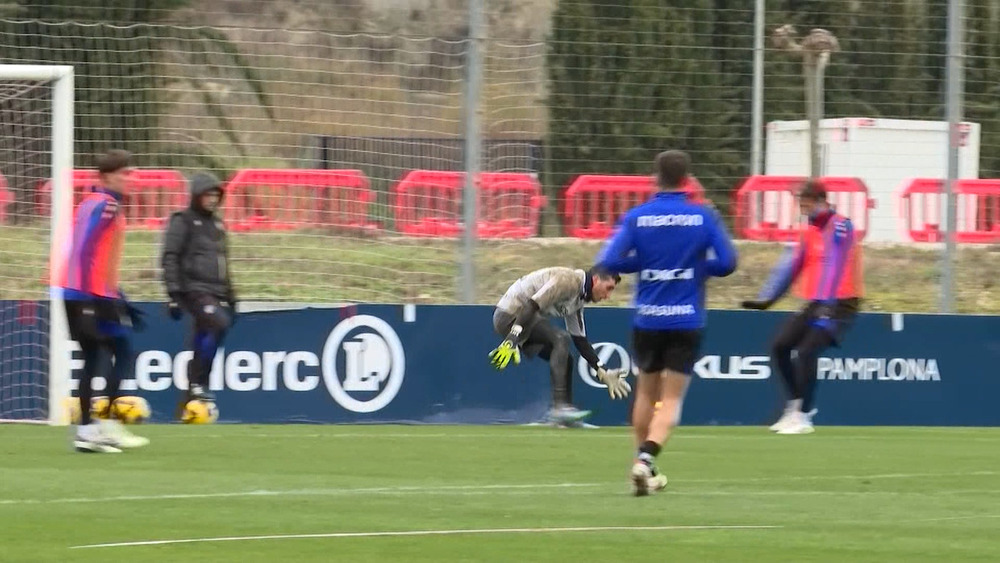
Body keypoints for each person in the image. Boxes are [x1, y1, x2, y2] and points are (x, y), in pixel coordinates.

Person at [596, 150, 737, 496]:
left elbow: (609, 260)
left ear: (655, 178)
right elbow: (729, 262)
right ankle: (646, 461)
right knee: (671, 400)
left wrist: (643, 263)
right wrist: (698, 268)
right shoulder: (703, 217)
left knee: (646, 391)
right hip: (686, 318)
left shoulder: (637, 217)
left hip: (648, 317)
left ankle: (642, 463)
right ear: (687, 179)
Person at [740, 179, 862, 435]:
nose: (804, 210)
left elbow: (835, 266)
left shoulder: (841, 226)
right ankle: (794, 407)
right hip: (817, 301)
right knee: (781, 346)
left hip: (841, 303)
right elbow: (792, 267)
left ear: (821, 201)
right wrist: (768, 299)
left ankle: (804, 415)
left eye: (807, 205)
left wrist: (828, 305)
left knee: (806, 352)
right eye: (801, 205)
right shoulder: (807, 230)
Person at [58, 149, 149, 452]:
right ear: (107, 177)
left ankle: (88, 431)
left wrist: (118, 295)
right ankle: (104, 426)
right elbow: (83, 252)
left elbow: (98, 257)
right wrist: (91, 299)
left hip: (83, 291)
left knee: (96, 356)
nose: (130, 179)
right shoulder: (107, 206)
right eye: (124, 173)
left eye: (130, 172)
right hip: (88, 294)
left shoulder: (91, 203)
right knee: (119, 351)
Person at [489, 266, 632, 426]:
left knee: (566, 357)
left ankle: (565, 416)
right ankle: (559, 409)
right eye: (609, 288)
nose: (608, 296)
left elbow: (580, 339)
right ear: (596, 279)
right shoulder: (568, 281)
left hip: (522, 319)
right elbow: (531, 305)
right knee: (560, 339)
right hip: (510, 316)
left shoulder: (578, 299)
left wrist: (602, 369)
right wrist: (512, 338)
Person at [161, 172, 236, 411]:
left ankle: (192, 393)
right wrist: (173, 293)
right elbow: (170, 256)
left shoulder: (217, 224)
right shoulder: (182, 221)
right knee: (217, 324)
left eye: (216, 195)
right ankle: (198, 382)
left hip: (216, 291)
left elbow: (223, 261)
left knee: (207, 334)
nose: (212, 200)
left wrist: (232, 295)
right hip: (193, 289)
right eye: (208, 194)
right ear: (196, 195)